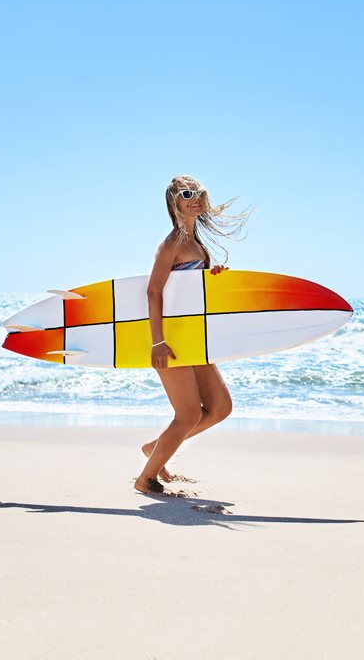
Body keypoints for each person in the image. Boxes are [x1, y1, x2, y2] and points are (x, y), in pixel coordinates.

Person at [134, 175, 251, 494]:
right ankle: (145, 478)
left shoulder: (196, 243)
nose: (195, 198)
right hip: (169, 341)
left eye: (199, 193)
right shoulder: (171, 243)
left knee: (220, 408)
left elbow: (188, 294)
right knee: (187, 415)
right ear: (174, 201)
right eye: (188, 194)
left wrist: (211, 277)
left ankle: (156, 448)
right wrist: (157, 341)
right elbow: (153, 292)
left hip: (193, 338)